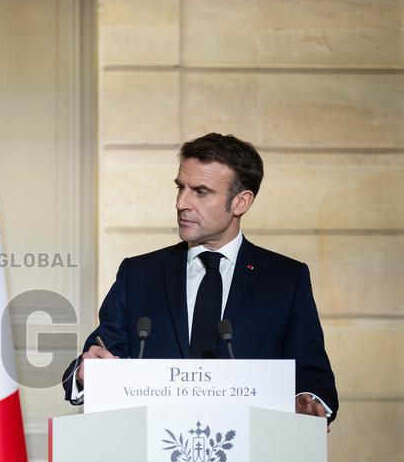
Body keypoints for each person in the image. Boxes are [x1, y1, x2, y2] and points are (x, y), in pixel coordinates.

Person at [63, 133, 337, 422]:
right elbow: (99, 356)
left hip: (254, 452)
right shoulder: (140, 274)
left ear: (240, 202)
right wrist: (85, 373)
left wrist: (308, 401)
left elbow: (313, 376)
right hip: (155, 449)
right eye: (180, 188)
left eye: (201, 192)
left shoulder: (285, 279)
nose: (182, 203)